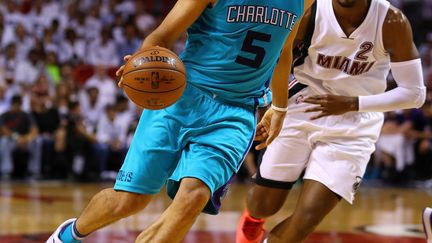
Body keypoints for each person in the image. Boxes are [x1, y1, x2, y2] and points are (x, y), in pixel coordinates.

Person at [47, 0, 314, 242]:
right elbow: (161, 36)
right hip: (182, 98)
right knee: (129, 200)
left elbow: (284, 51)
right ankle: (68, 235)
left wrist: (280, 107)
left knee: (194, 196)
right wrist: (144, 61)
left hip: (234, 113)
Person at [235, 0, 426, 242]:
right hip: (302, 107)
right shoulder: (308, 11)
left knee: (307, 217)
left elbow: (415, 93)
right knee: (263, 205)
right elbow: (278, 59)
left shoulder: (391, 21)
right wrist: (274, 104)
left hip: (355, 124)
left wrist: (351, 103)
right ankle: (253, 217)